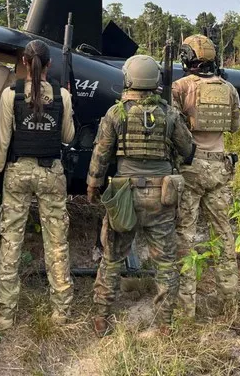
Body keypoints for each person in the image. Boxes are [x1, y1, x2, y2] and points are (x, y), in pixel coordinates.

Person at [87, 54, 195, 337]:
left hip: (124, 194)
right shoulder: (170, 114)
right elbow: (188, 151)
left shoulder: (115, 113)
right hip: (162, 196)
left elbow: (101, 154)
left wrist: (93, 186)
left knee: (112, 258)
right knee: (164, 262)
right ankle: (163, 324)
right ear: (155, 81)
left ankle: (101, 318)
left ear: (128, 79)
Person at [0, 39, 75, 329]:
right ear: (48, 65)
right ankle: (61, 312)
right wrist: (66, 107)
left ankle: (5, 312)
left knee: (11, 240)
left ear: (24, 63)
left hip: (17, 172)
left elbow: (2, 142)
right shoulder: (62, 96)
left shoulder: (11, 95)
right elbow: (69, 137)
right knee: (57, 242)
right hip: (51, 173)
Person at [172, 34, 240, 319]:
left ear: (188, 57)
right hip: (220, 168)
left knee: (184, 237)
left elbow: (173, 129)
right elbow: (235, 126)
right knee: (224, 235)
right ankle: (230, 303)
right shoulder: (229, 89)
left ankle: (185, 307)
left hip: (190, 168)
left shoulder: (180, 87)